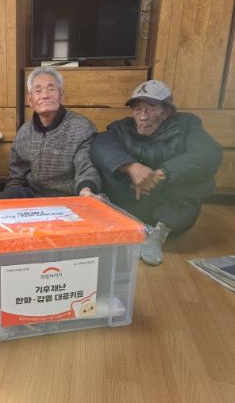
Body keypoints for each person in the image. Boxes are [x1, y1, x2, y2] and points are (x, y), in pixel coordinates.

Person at [91, 79, 222, 266]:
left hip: (169, 205)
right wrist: (131, 167)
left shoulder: (187, 125)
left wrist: (161, 174)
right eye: (137, 109)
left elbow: (209, 152)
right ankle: (134, 228)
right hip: (132, 200)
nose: (143, 116)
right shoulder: (121, 128)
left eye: (151, 109)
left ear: (166, 112)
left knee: (200, 178)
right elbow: (99, 145)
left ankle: (158, 233)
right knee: (106, 167)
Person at [0, 66, 101, 199]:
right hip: (32, 197)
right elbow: (16, 177)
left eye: (51, 89)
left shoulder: (82, 128)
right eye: (38, 90)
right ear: (30, 100)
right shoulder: (23, 133)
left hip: (68, 198)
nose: (45, 95)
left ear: (61, 96)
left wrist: (86, 190)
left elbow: (86, 169)